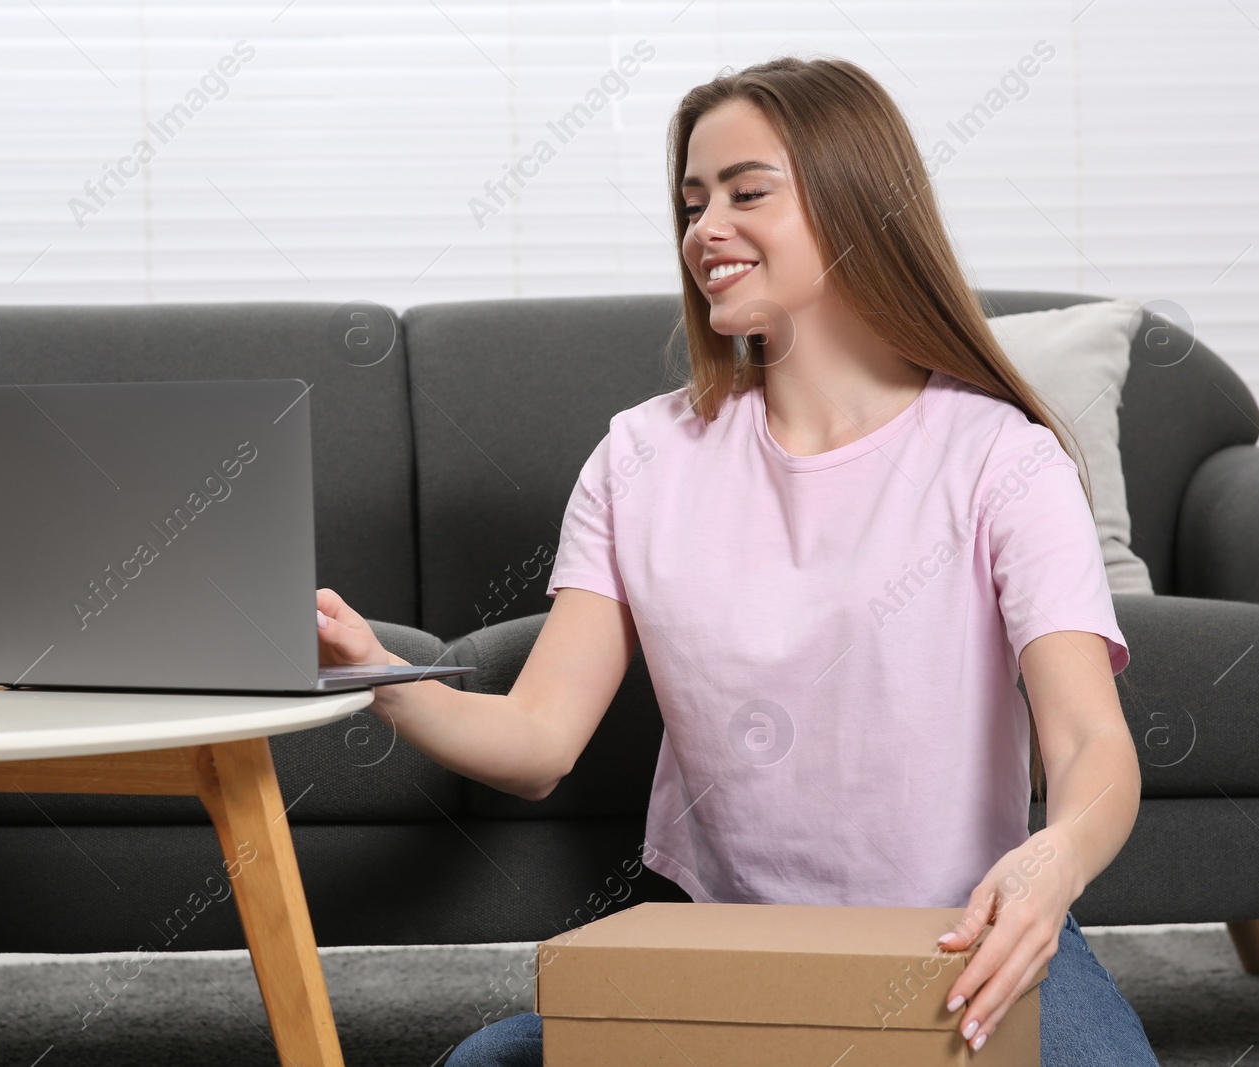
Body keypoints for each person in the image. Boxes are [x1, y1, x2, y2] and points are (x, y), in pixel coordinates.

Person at [315, 54, 1159, 1067]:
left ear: (857, 206)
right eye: (691, 201)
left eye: (746, 193)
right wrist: (384, 682)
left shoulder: (1001, 460)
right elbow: (538, 738)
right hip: (720, 928)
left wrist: (1051, 862)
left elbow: (1087, 745)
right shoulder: (639, 456)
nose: (704, 229)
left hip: (957, 929)